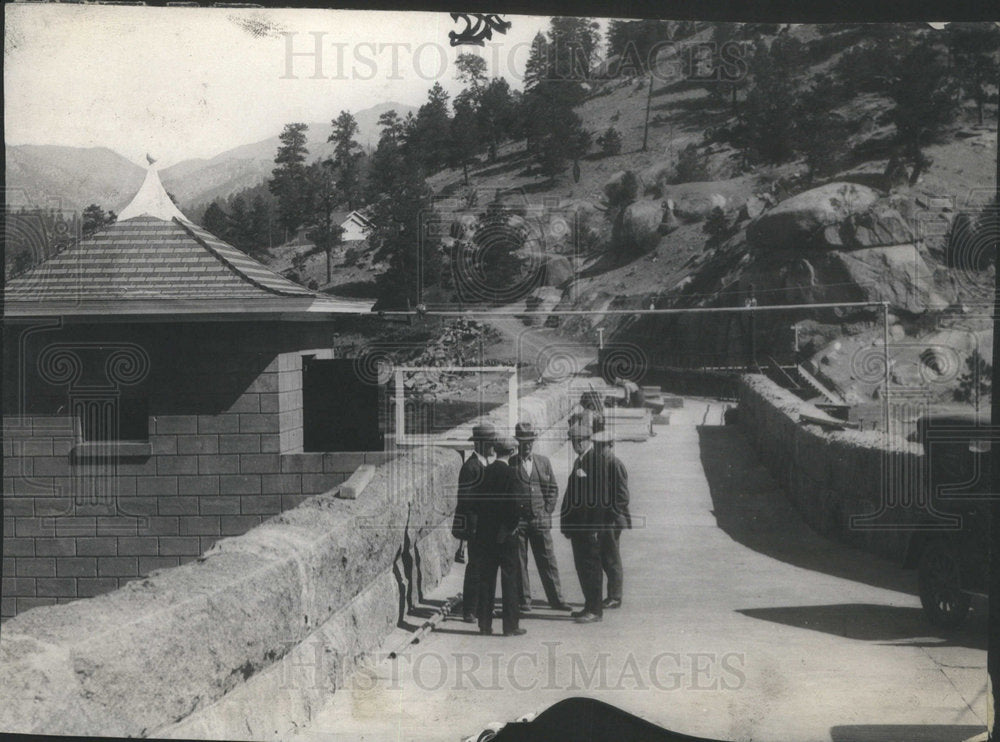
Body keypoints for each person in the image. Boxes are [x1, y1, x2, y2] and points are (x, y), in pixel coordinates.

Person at [509, 422, 572, 613]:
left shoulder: (543, 462)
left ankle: (556, 599)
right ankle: (524, 601)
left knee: (547, 560)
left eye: (530, 442)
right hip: (518, 522)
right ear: (517, 443)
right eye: (523, 442)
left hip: (540, 520)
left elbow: (552, 488)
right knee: (519, 563)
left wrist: (547, 510)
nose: (527, 446)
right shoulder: (511, 464)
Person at [475, 438, 526, 637]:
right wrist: (509, 528)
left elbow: (477, 504)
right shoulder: (512, 475)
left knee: (487, 579)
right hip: (505, 536)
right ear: (512, 452)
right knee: (509, 580)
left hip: (486, 535)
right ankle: (510, 625)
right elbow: (515, 506)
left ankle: (485, 624)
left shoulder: (484, 472)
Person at [559, 423, 605, 623]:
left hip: (589, 528)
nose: (573, 445)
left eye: (576, 442)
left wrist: (595, 527)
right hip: (579, 527)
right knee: (582, 567)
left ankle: (595, 609)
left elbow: (600, 499)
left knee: (591, 568)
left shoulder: (595, 461)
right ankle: (589, 605)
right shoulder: (582, 460)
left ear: (585, 441)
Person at [453, 422, 495, 623]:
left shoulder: (485, 464)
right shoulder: (470, 467)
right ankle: (469, 609)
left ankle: (482, 606)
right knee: (475, 568)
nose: (492, 446)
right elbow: (466, 502)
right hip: (476, 528)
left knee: (486, 568)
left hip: (486, 526)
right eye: (489, 443)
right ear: (479, 444)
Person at [593, 430, 631, 610]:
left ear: (610, 445)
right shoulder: (599, 463)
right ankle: (610, 595)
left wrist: (609, 516)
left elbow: (623, 497)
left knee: (611, 559)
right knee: (604, 557)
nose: (599, 449)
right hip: (603, 520)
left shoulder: (615, 464)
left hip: (612, 520)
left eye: (603, 446)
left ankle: (615, 597)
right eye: (597, 446)